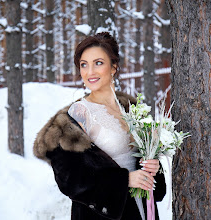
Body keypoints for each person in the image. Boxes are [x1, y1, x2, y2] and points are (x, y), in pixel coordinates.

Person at [33, 32, 166, 220]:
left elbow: (147, 163)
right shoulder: (79, 114)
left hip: (142, 210)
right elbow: (69, 179)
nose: (90, 72)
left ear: (113, 67)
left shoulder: (133, 110)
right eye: (83, 65)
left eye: (98, 63)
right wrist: (125, 180)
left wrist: (154, 166)